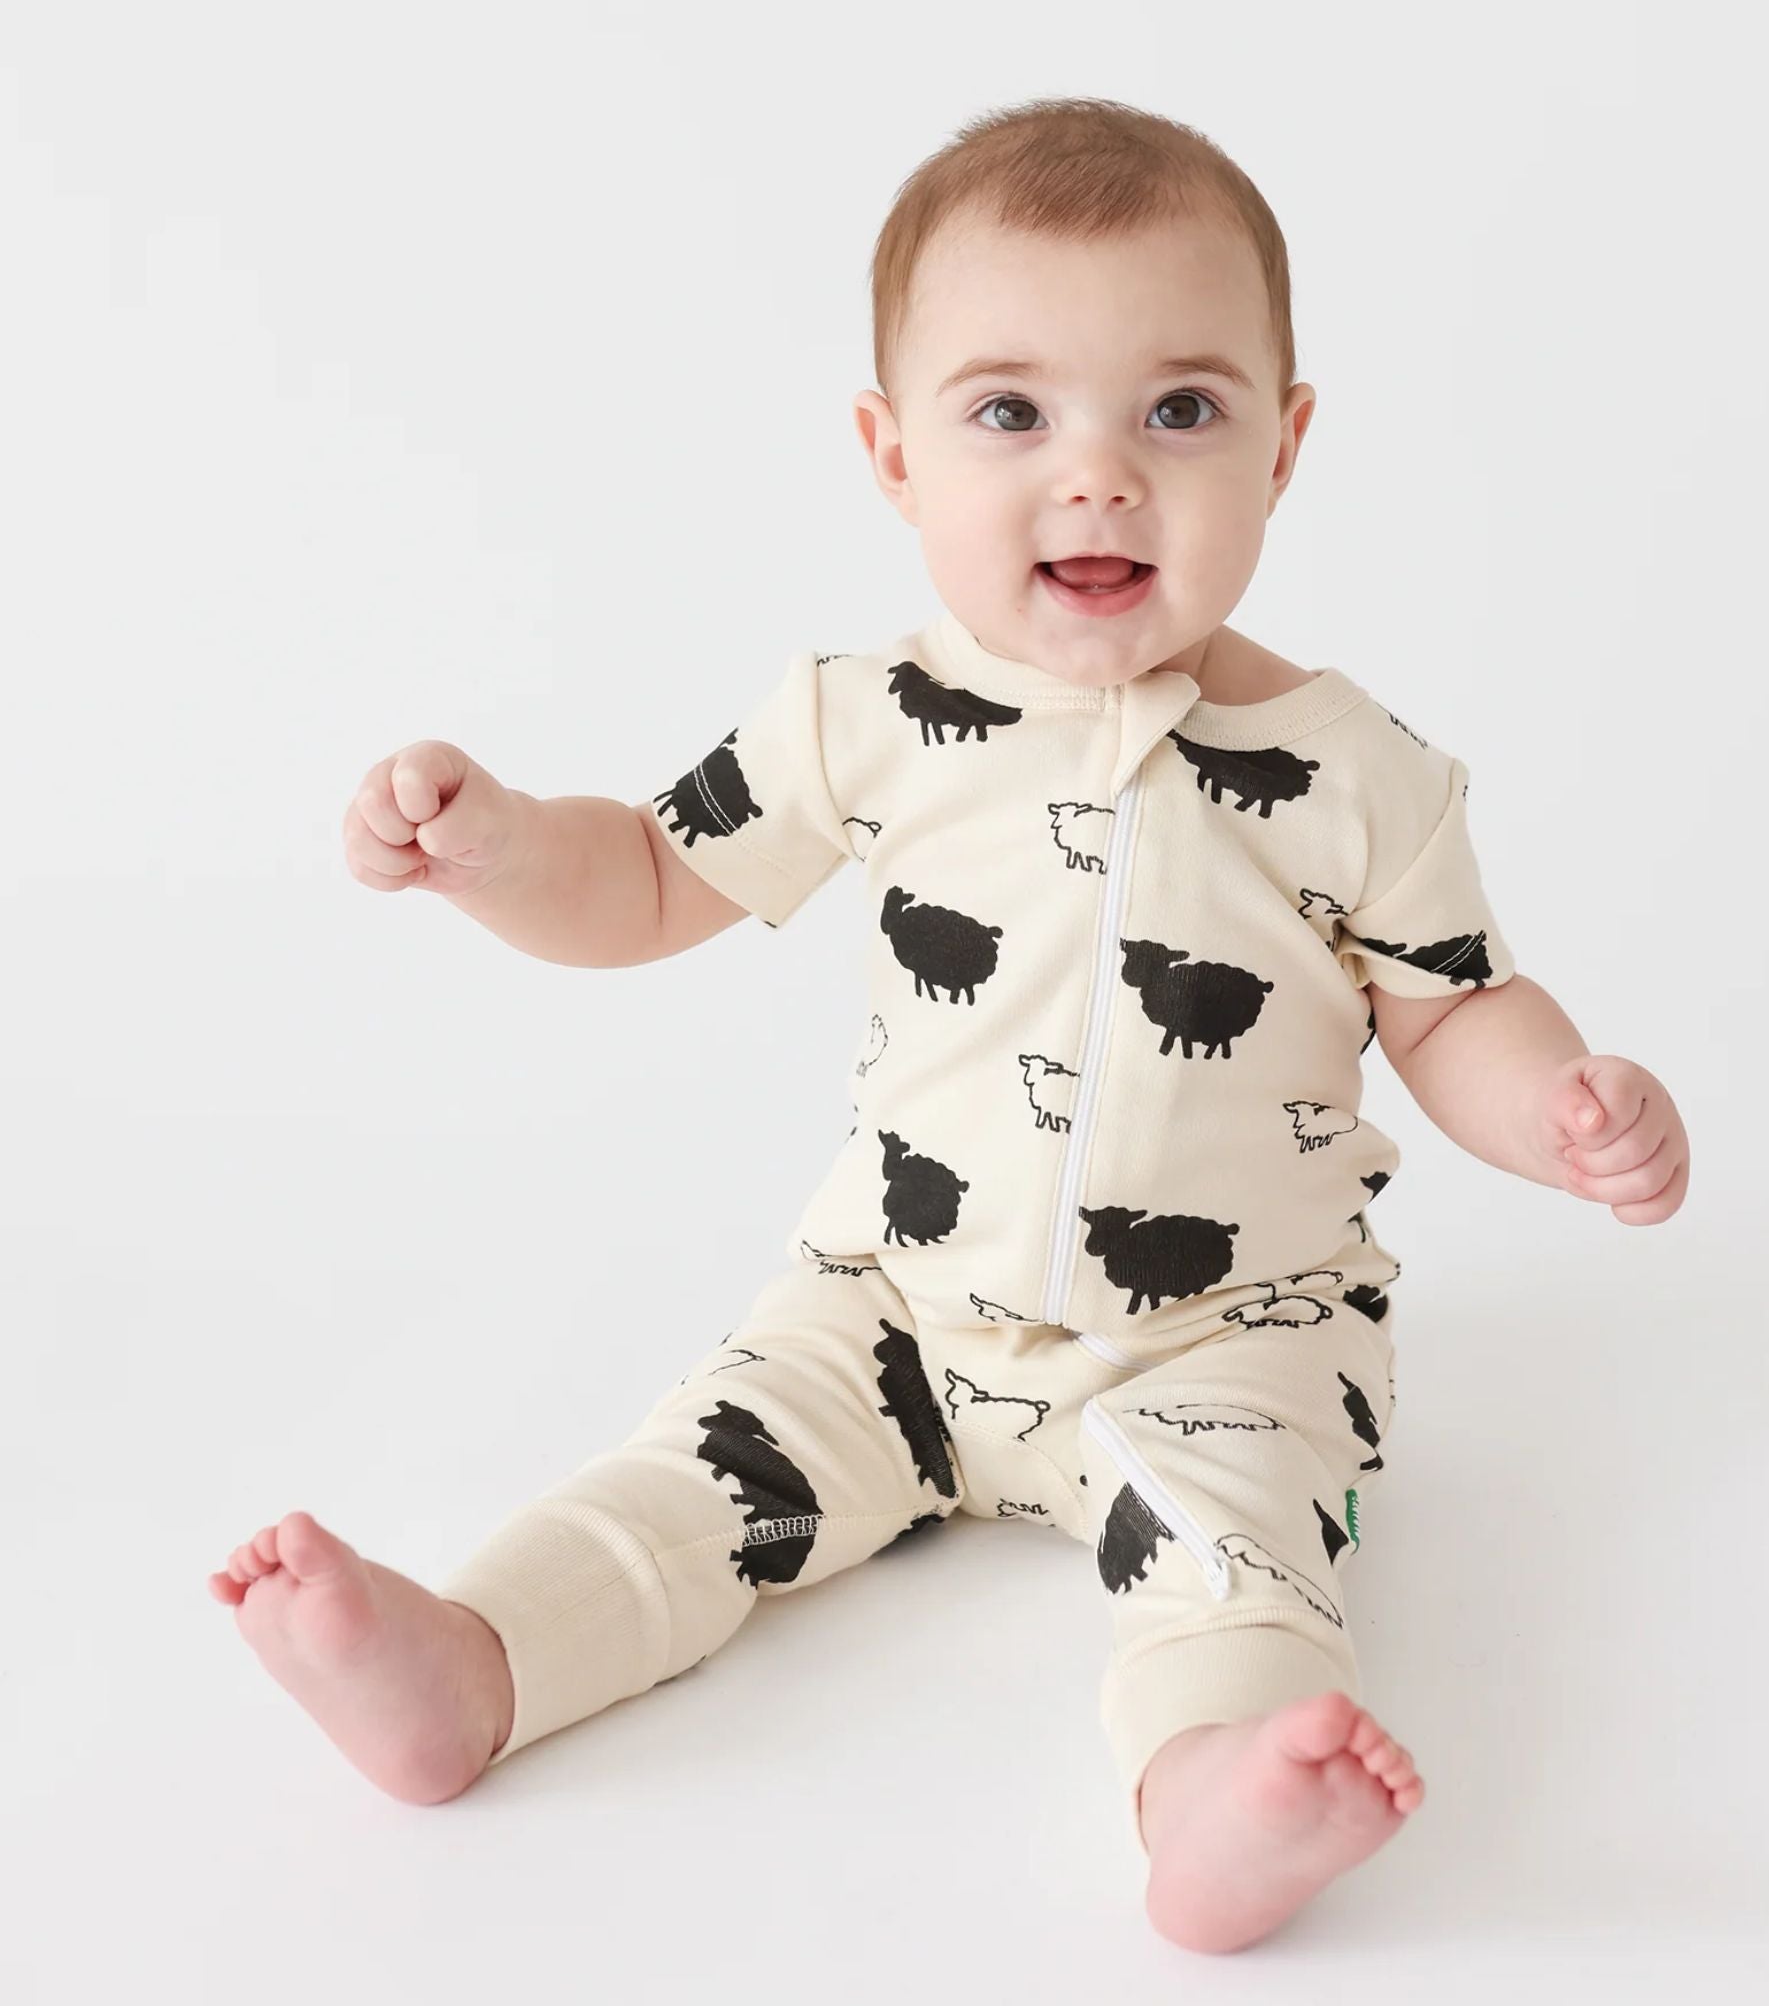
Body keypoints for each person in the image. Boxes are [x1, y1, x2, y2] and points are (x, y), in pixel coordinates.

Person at [208, 96, 1690, 1955]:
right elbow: (651, 876)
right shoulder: (866, 722)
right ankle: (475, 1660)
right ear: (893, 455)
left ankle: (1213, 1791)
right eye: (1012, 414)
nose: (1100, 477)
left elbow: (1451, 1005)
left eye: (1180, 409)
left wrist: (1563, 1106)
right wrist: (501, 849)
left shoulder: (1355, 774)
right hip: (894, 1305)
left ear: (1287, 444)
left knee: (1244, 1551)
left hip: (1229, 1332)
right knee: (698, 1470)